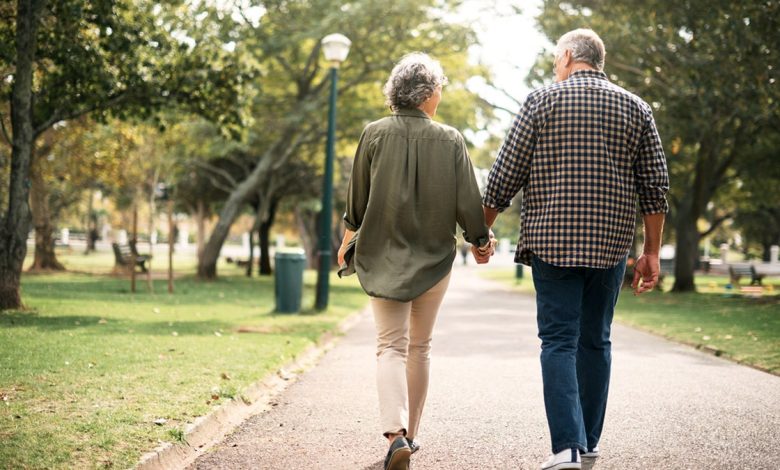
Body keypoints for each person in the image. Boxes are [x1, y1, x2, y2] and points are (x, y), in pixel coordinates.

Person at [482, 29, 669, 470]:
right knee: (596, 340)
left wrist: (480, 232)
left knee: (559, 341)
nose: (554, 65)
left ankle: (566, 447)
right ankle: (587, 447)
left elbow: (504, 175)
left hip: (553, 242)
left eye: (554, 58)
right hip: (610, 245)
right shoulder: (636, 107)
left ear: (567, 56)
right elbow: (656, 188)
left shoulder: (541, 102)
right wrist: (652, 252)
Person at [338, 52, 494, 470]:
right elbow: (468, 202)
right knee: (419, 347)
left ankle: (396, 434)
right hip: (433, 260)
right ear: (427, 94)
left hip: (381, 253)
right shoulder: (451, 139)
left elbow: (357, 200)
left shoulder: (373, 134)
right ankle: (411, 435)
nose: (440, 95)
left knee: (390, 345)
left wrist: (347, 239)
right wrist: (480, 241)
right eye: (439, 88)